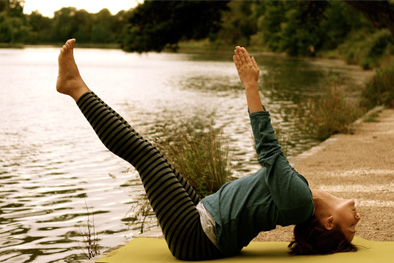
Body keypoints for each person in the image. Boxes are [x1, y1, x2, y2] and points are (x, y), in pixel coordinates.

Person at [56, 39, 361, 260]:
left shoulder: (300, 203)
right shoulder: (300, 198)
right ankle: (75, 86)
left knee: (144, 154)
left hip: (196, 237)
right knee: (154, 155)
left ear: (329, 223)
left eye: (350, 229)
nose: (357, 221)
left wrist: (250, 86)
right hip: (201, 220)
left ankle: (74, 87)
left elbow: (269, 151)